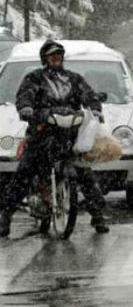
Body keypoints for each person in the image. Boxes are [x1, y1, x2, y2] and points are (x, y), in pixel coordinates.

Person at [0, 40, 110, 237]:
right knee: (25, 171)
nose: (56, 59)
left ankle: (98, 215)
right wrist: (27, 108)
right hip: (42, 135)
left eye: (59, 55)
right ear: (45, 59)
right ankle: (6, 214)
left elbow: (88, 95)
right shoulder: (34, 79)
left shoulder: (74, 79)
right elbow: (24, 96)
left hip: (69, 137)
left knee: (84, 173)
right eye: (52, 56)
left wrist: (94, 108)